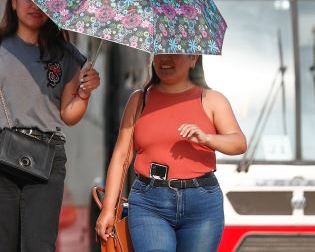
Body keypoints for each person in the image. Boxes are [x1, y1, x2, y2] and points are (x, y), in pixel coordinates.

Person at [0, 0, 100, 251]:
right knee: (1, 245)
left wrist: (84, 94)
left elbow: (68, 115)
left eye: (43, 0)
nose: (35, 6)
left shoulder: (67, 55)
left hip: (46, 158)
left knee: (39, 246)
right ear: (14, 2)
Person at [96, 54, 247, 252]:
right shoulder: (139, 100)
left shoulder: (212, 99)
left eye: (174, 52)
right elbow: (121, 157)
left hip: (202, 204)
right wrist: (108, 209)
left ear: (193, 58)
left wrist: (208, 138)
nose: (165, 59)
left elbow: (239, 143)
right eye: (160, 52)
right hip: (149, 203)